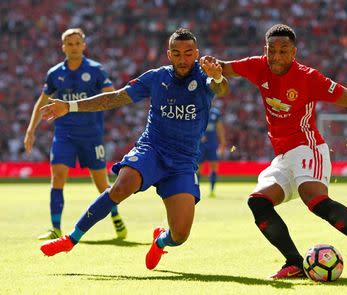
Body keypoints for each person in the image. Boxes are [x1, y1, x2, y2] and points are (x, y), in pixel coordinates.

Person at [207, 24, 347, 280]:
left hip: (308, 147)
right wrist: (210, 65)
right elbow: (223, 67)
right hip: (284, 157)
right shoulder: (257, 66)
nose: (276, 56)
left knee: (313, 199)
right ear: (265, 51)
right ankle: (295, 263)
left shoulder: (309, 78)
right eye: (271, 50)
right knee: (258, 202)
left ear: (294, 52)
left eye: (283, 50)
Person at [39, 28, 229, 270]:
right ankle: (71, 238)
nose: (183, 59)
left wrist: (219, 78)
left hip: (183, 161)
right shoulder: (155, 77)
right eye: (177, 53)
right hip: (153, 149)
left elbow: (221, 89)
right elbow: (115, 98)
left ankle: (160, 241)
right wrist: (70, 106)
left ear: (196, 54)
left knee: (180, 235)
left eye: (188, 53)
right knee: (121, 187)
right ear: (168, 54)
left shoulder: (205, 78)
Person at [24, 28, 127, 240]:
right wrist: (30, 129)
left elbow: (112, 96)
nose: (73, 47)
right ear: (63, 47)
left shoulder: (96, 70)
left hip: (91, 134)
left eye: (77, 43)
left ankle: (116, 219)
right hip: (64, 133)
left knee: (101, 182)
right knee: (58, 176)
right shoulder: (55, 74)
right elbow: (42, 102)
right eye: (69, 44)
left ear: (84, 45)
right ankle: (55, 228)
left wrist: (95, 101)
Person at [198, 106, 226, 197]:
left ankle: (212, 190)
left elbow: (220, 129)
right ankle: (195, 190)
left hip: (212, 144)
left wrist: (222, 143)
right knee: (198, 168)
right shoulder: (198, 110)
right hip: (200, 145)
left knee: (214, 166)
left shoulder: (215, 113)